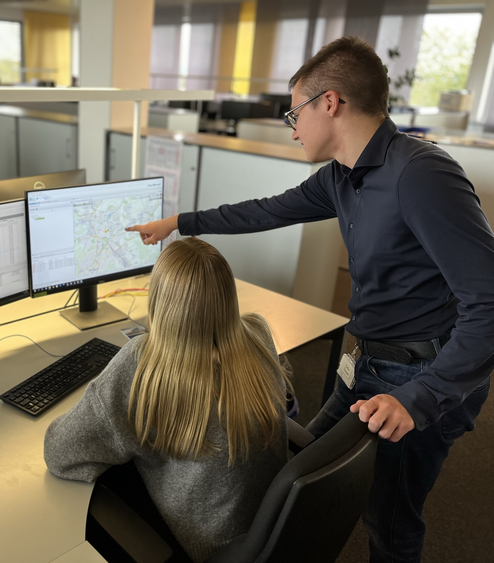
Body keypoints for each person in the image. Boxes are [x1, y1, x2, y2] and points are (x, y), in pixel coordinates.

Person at [126, 36, 494, 563]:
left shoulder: (421, 174)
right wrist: (180, 223)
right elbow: (266, 210)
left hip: (421, 376)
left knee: (389, 520)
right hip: (369, 361)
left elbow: (489, 302)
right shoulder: (342, 176)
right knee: (295, 473)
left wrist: (420, 398)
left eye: (294, 113)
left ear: (331, 103)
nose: (293, 128)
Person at [44, 237, 290, 562]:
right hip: (271, 526)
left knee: (111, 468)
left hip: (205, 545)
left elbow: (60, 453)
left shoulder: (141, 365)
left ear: (160, 300)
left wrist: (101, 397)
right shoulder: (258, 334)